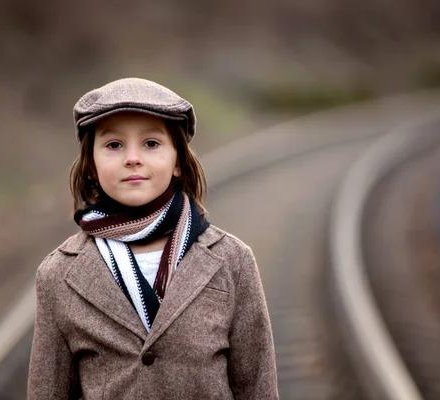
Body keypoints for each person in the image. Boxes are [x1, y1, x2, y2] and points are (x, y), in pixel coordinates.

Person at [27, 77, 278, 399]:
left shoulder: (232, 260)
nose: (132, 158)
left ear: (177, 162)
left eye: (151, 144)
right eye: (114, 145)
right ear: (91, 165)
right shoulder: (58, 275)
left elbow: (257, 386)